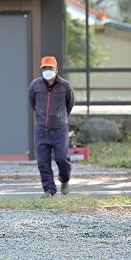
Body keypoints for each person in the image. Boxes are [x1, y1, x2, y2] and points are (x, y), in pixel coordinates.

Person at [28, 56, 75, 197]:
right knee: (43, 162)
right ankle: (49, 190)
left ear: (56, 69)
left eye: (50, 68)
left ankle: (65, 180)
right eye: (45, 68)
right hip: (41, 129)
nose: (47, 71)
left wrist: (59, 117)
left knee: (62, 158)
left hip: (60, 129)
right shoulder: (35, 85)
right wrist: (43, 116)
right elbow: (32, 103)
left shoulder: (65, 86)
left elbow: (70, 104)